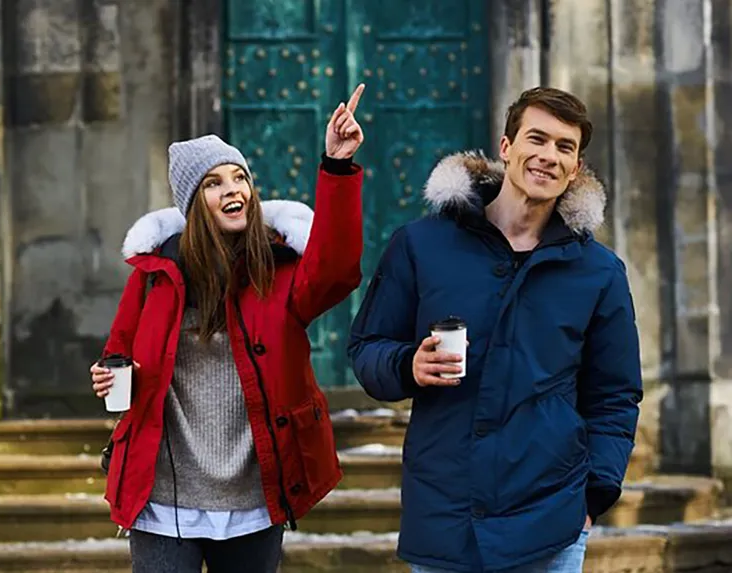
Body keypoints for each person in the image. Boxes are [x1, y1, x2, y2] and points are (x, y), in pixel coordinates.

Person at [347, 86, 643, 573]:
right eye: (537, 139)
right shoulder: (421, 244)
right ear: (506, 148)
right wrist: (408, 364)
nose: (548, 156)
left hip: (550, 520)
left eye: (564, 147)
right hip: (446, 515)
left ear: (576, 167)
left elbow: (614, 396)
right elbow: (366, 350)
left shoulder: (599, 272)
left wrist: (595, 495)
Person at [89, 84, 367, 573]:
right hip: (164, 498)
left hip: (253, 498)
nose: (233, 190)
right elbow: (118, 358)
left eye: (239, 177)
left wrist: (338, 166)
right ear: (194, 201)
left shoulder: (280, 269)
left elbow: (339, 269)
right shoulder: (153, 276)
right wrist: (111, 377)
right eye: (214, 182)